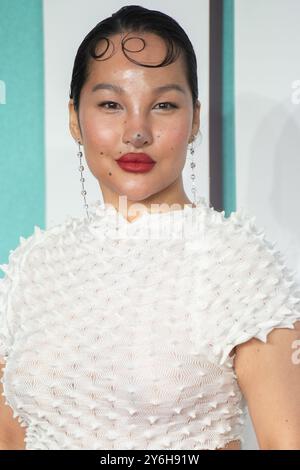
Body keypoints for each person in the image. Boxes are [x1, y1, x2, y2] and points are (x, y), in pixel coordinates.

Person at [1, 5, 300, 451]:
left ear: (194, 118)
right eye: (110, 104)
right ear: (73, 119)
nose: (136, 131)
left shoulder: (239, 264)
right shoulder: (34, 266)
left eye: (162, 105)